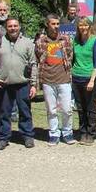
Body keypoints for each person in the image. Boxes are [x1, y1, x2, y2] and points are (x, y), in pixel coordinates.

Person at [0, 17, 38, 151]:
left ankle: (27, 135)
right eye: (10, 26)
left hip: (22, 83)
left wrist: (33, 84)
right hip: (4, 83)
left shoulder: (27, 43)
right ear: (6, 27)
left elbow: (33, 64)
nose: (13, 28)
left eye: (15, 26)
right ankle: (3, 137)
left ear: (19, 27)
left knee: (25, 111)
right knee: (4, 112)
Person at [35, 13, 75, 146]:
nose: (56, 27)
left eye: (58, 24)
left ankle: (67, 132)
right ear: (47, 25)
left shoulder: (66, 39)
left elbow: (71, 56)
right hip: (48, 80)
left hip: (63, 79)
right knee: (51, 109)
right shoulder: (41, 42)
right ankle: (53, 133)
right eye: (53, 24)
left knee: (67, 109)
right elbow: (38, 58)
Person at [71, 16, 96, 145]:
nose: (83, 27)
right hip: (76, 78)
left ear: (89, 26)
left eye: (85, 25)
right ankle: (82, 132)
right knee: (80, 107)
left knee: (90, 108)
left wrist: (92, 80)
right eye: (80, 25)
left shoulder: (95, 41)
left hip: (89, 78)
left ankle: (91, 133)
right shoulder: (75, 41)